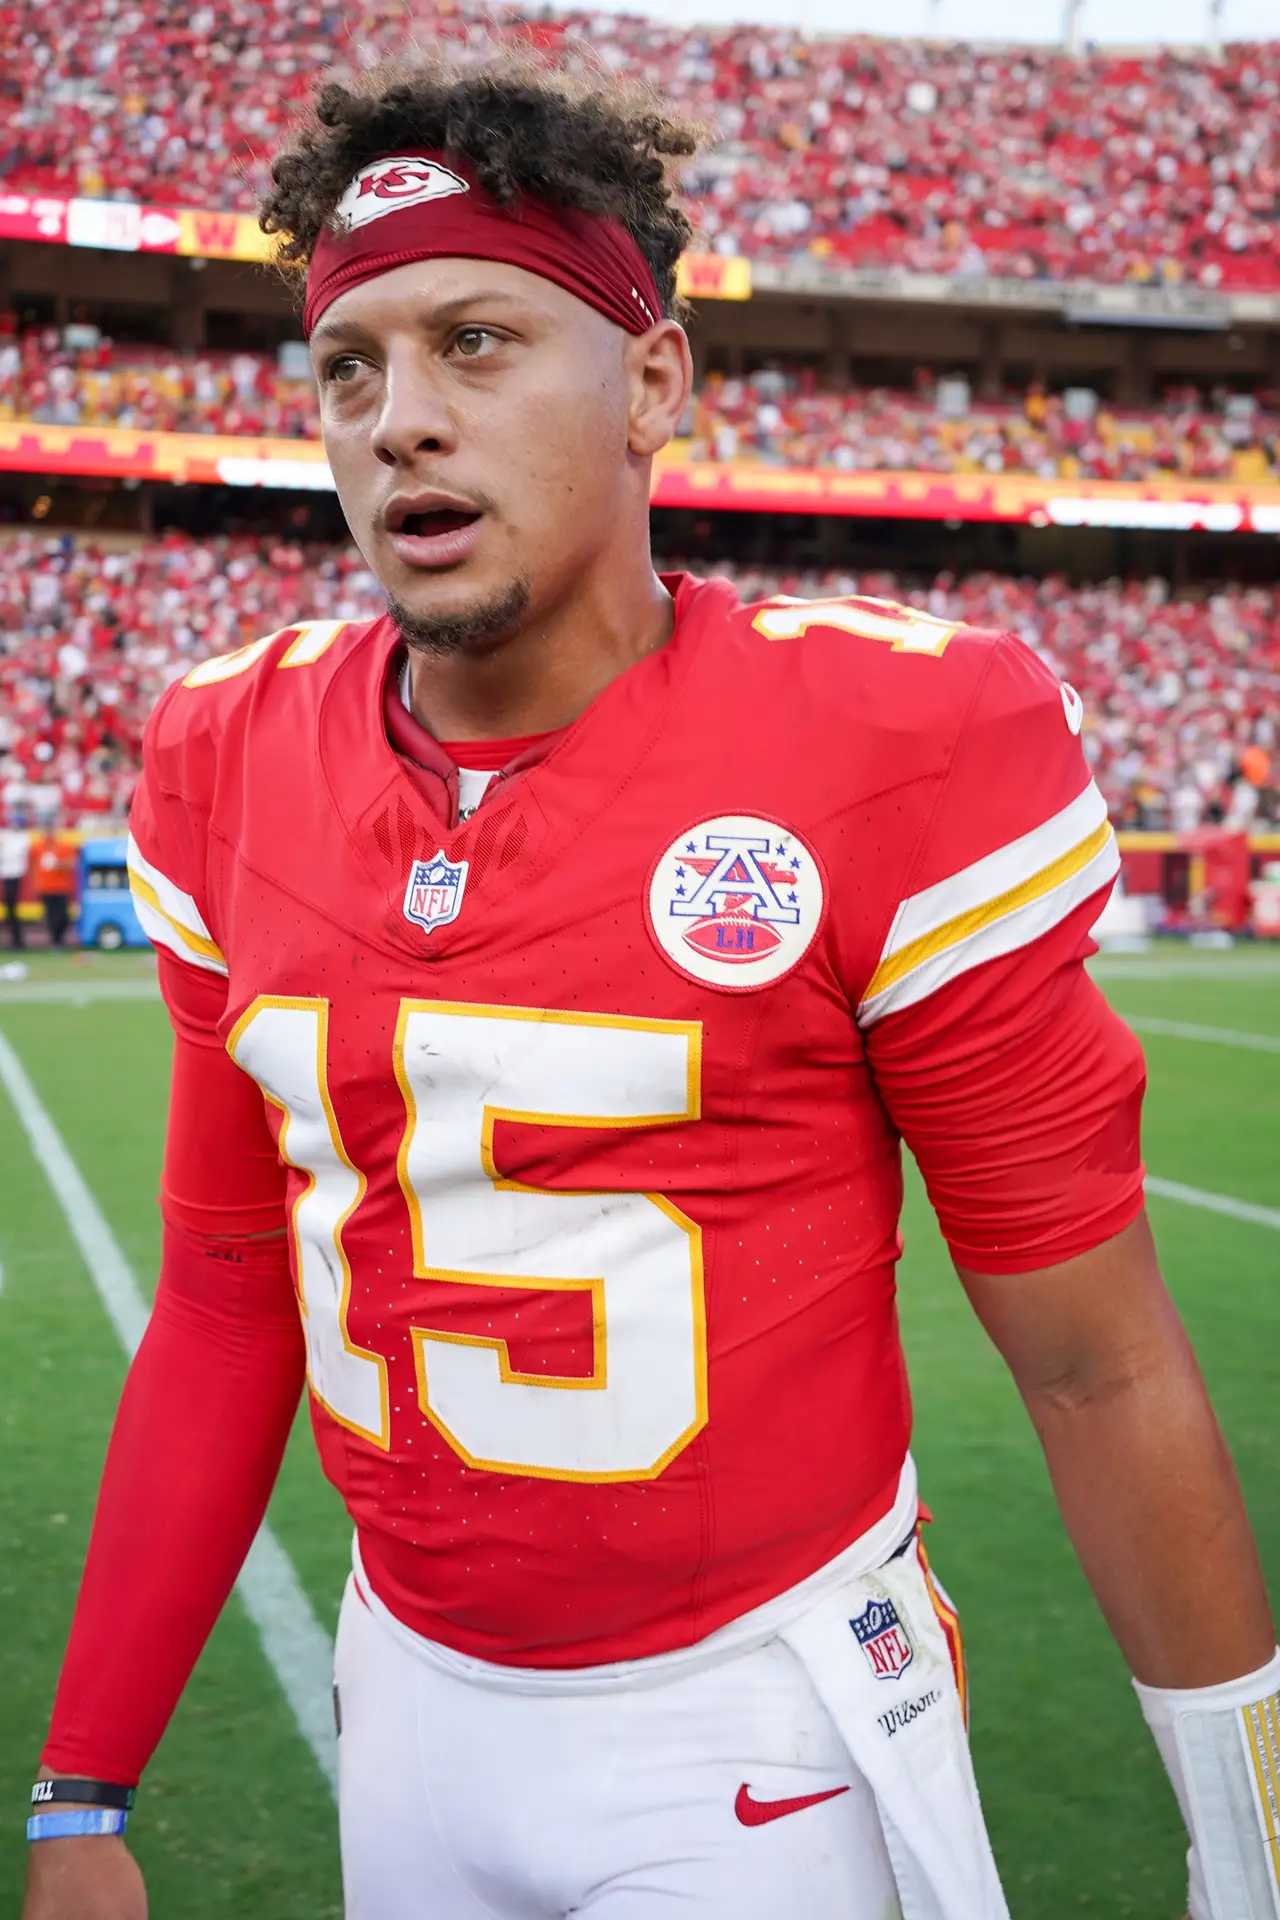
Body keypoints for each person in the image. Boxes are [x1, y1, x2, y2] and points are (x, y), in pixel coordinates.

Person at [25, 56, 1277, 1920]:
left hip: (756, 1722)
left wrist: (1245, 1833)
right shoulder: (226, 747)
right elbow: (222, 1291)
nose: (398, 423)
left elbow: (1095, 1358)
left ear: (656, 384)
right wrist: (80, 1795)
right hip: (411, 1695)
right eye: (348, 370)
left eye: (475, 341)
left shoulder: (894, 732)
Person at [27, 820, 76, 947]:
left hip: (61, 887)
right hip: (45, 887)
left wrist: (58, 864)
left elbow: (71, 863)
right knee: (51, 916)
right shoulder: (37, 847)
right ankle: (55, 941)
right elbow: (34, 865)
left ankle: (60, 939)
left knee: (63, 916)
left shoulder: (63, 846)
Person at [0, 809, 29, 948]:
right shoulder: (8, 836)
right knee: (9, 908)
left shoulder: (22, 838)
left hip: (14, 876)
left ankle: (17, 940)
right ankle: (15, 939)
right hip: (7, 875)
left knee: (11, 908)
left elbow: (11, 854)